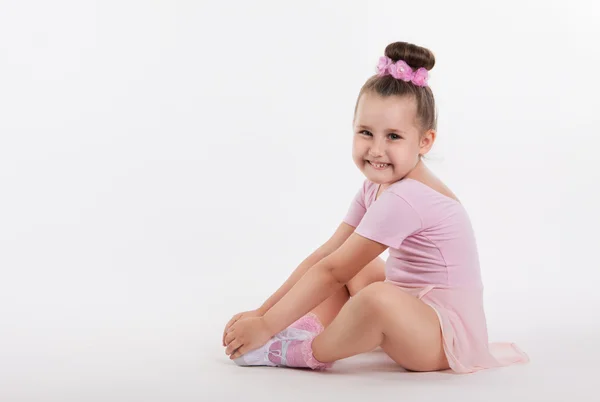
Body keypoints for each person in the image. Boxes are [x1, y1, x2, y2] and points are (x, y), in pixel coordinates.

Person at [222, 41, 530, 373]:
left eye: (394, 136)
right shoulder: (376, 187)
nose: (377, 150)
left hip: (444, 339)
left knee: (374, 298)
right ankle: (300, 326)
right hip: (415, 308)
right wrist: (263, 314)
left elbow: (332, 272)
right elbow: (326, 256)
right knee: (352, 267)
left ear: (424, 141)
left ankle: (302, 351)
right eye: (366, 132)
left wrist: (264, 324)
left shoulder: (407, 197)